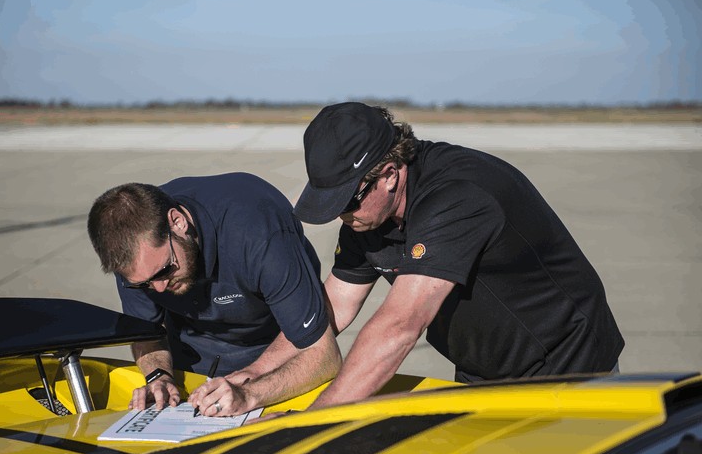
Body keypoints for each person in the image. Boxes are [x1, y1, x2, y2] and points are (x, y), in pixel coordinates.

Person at [294, 102, 624, 409]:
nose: (342, 216)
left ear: (390, 175)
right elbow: (330, 308)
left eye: (347, 202)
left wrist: (311, 418)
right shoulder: (368, 216)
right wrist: (253, 384)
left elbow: (400, 324)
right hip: (483, 371)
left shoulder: (457, 196)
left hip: (567, 367)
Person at [87, 172, 341, 416]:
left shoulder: (258, 233)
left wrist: (249, 393)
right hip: (190, 361)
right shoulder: (139, 263)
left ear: (178, 223)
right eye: (144, 284)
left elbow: (323, 355)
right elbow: (147, 335)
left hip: (274, 355)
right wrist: (158, 376)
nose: (160, 288)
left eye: (165, 270)